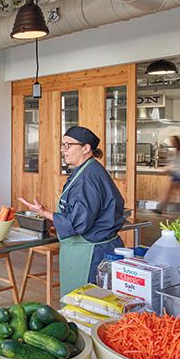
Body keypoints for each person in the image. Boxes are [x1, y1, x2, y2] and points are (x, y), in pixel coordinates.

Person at [18, 126, 126, 295]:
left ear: (86, 148)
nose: (63, 149)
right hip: (101, 247)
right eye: (62, 145)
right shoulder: (90, 169)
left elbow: (79, 222)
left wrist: (46, 213)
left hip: (90, 254)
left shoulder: (87, 178)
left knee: (84, 306)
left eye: (67, 145)